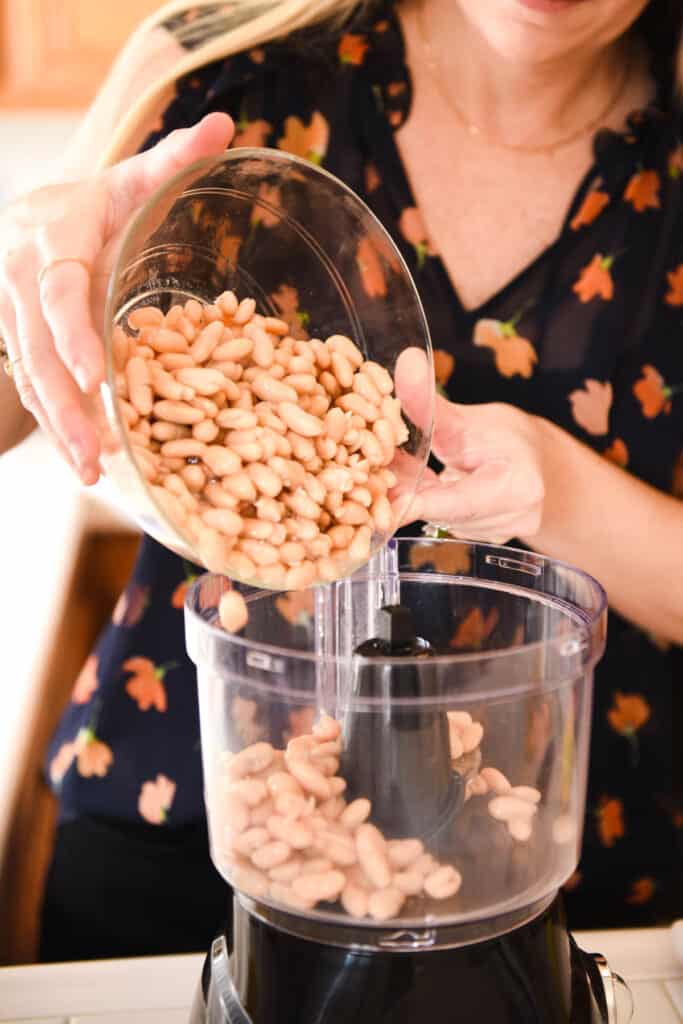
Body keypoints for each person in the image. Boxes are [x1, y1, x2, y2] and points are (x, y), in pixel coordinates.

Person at [1, 0, 682, 961]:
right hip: (186, 833)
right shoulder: (220, 64)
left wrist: (555, 493)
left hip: (565, 876)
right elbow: (19, 398)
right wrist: (17, 282)